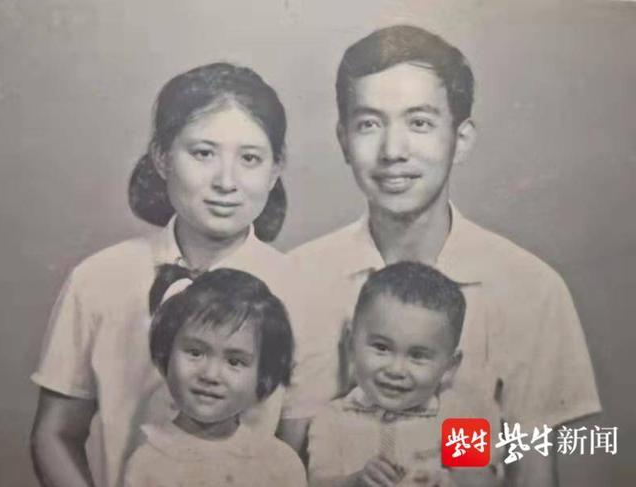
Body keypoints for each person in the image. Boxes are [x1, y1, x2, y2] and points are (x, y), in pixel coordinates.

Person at [284, 25, 601, 485]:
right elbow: (271, 463)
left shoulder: (530, 287)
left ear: (462, 138)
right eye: (369, 124)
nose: (393, 151)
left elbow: (532, 467)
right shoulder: (295, 280)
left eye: (419, 123)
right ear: (343, 139)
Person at [30, 62, 305, 487]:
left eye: (250, 158)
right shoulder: (98, 279)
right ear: (161, 157)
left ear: (275, 169)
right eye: (203, 153)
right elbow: (55, 434)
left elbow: (299, 452)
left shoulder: (302, 290)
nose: (226, 181)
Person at [308, 262, 501, 487]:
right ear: (351, 344)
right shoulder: (332, 419)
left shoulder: (458, 417)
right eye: (381, 348)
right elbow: (317, 483)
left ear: (449, 367)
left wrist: (449, 481)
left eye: (417, 356)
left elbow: (482, 483)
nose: (396, 370)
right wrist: (355, 482)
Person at [123, 267, 306, 487]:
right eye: (195, 353)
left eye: (234, 362)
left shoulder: (280, 464)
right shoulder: (147, 464)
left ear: (263, 375)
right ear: (166, 352)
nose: (210, 375)